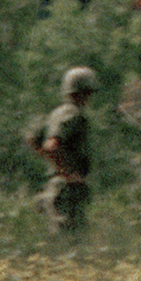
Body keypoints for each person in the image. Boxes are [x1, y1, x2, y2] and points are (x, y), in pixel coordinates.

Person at [27, 66, 97, 235]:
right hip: (67, 190)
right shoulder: (72, 114)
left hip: (58, 187)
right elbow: (51, 146)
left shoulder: (56, 114)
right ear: (84, 92)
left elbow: (33, 140)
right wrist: (68, 174)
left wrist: (58, 169)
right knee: (74, 243)